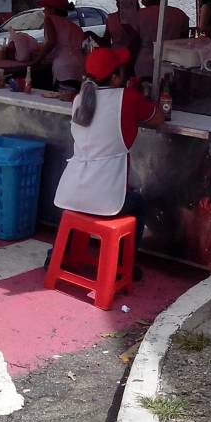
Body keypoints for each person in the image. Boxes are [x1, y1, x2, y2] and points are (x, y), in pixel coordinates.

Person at [53, 47, 165, 275]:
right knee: (138, 204)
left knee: (86, 208)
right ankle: (124, 267)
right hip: (106, 199)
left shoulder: (79, 99)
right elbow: (158, 119)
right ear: (115, 77)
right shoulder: (128, 98)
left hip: (71, 192)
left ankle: (57, 254)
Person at [133, 0, 189, 79]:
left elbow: (134, 43)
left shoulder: (139, 15)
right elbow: (184, 42)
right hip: (172, 64)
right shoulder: (179, 14)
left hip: (145, 66)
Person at [30, 0, 85, 91]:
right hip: (79, 67)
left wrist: (37, 61)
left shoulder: (49, 20)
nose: (44, 11)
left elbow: (51, 42)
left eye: (46, 8)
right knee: (73, 98)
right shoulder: (76, 28)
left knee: (62, 97)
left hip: (63, 69)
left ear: (53, 9)